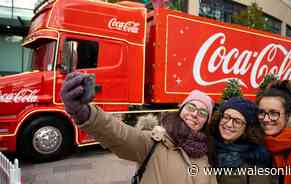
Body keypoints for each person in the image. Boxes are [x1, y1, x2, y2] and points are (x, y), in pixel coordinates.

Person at [60, 72, 217, 184]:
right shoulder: (155, 142)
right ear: (181, 109)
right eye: (190, 107)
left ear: (206, 122)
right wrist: (84, 113)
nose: (195, 114)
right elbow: (119, 134)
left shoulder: (207, 155)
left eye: (203, 112)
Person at [208, 97, 273, 184]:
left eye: (237, 121)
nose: (229, 124)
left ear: (247, 129)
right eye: (226, 117)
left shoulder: (255, 160)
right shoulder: (209, 147)